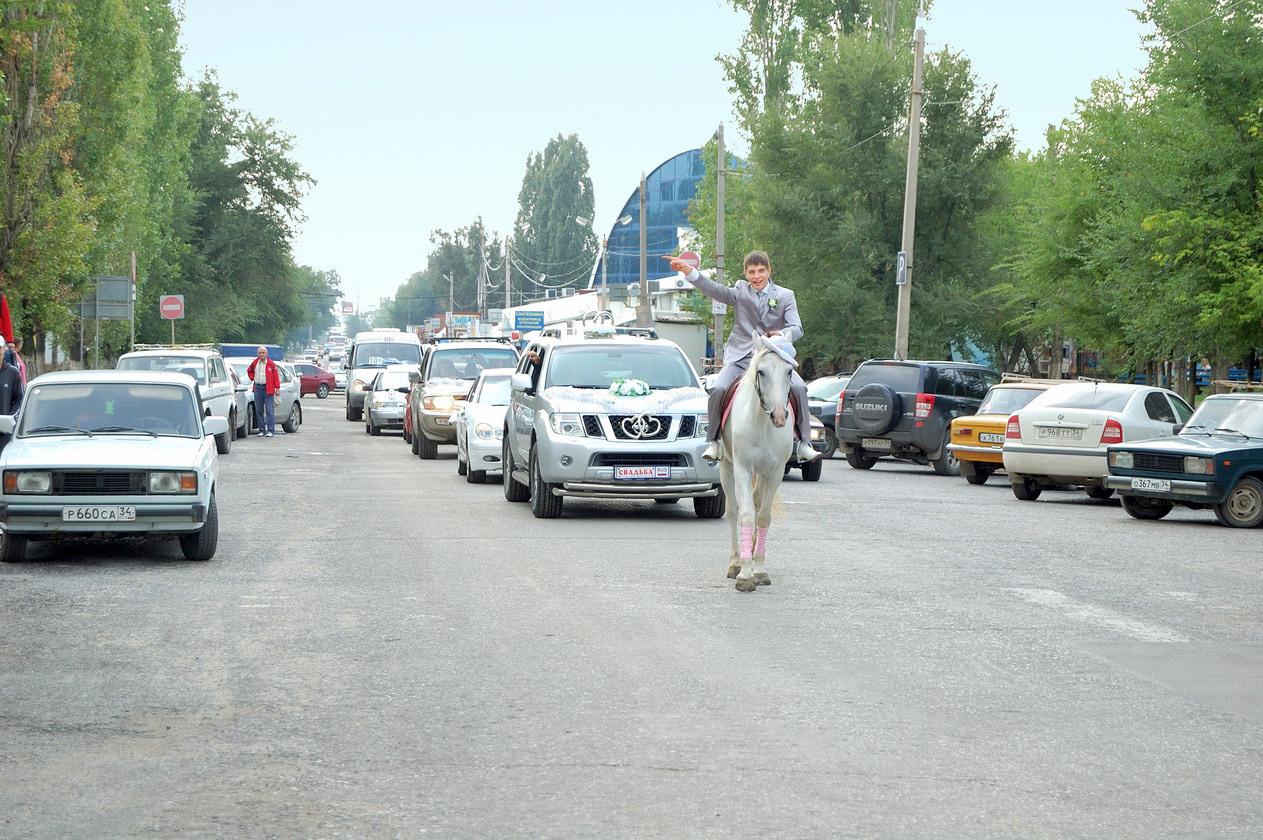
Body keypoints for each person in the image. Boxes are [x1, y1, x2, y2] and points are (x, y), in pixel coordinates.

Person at [663, 251, 818, 464]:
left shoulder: (785, 295)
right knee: (718, 389)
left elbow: (797, 327)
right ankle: (714, 441)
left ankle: (804, 443)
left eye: (761, 271)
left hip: (772, 357)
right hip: (741, 356)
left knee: (799, 388)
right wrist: (688, 271)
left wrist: (781, 335)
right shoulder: (739, 291)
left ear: (769, 271)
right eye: (752, 272)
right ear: (746, 273)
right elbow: (714, 289)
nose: (757, 276)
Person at [246, 345, 280, 437]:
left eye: (263, 353)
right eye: (260, 353)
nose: (261, 354)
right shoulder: (255, 363)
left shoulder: (271, 364)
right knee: (259, 410)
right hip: (258, 388)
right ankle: (261, 430)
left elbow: (276, 377)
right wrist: (252, 378)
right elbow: (249, 371)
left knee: (269, 410)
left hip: (268, 388)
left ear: (266, 354)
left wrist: (277, 388)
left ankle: (270, 430)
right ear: (257, 354)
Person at [0, 346, 23, 453]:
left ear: (4, 349)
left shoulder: (12, 372)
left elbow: (19, 400)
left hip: (4, 433)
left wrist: (8, 419)